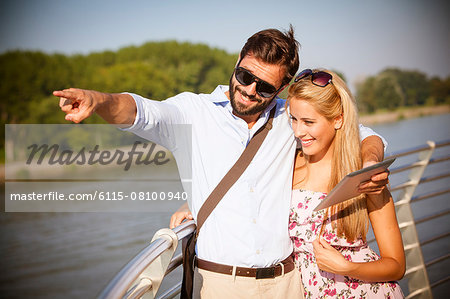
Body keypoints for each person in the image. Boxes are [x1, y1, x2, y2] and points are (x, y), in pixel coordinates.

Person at [53, 26, 389, 298]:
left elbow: (362, 132)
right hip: (218, 286)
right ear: (238, 61)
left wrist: (370, 161)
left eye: (265, 86)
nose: (249, 90)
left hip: (287, 283)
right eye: (244, 76)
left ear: (282, 87)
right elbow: (139, 111)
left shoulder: (291, 117)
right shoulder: (192, 112)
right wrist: (98, 101)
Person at [287, 69, 405, 298]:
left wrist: (347, 268)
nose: (298, 131)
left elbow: (397, 266)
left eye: (309, 122)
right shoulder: (286, 167)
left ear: (338, 119)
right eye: (293, 119)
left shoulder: (363, 176)